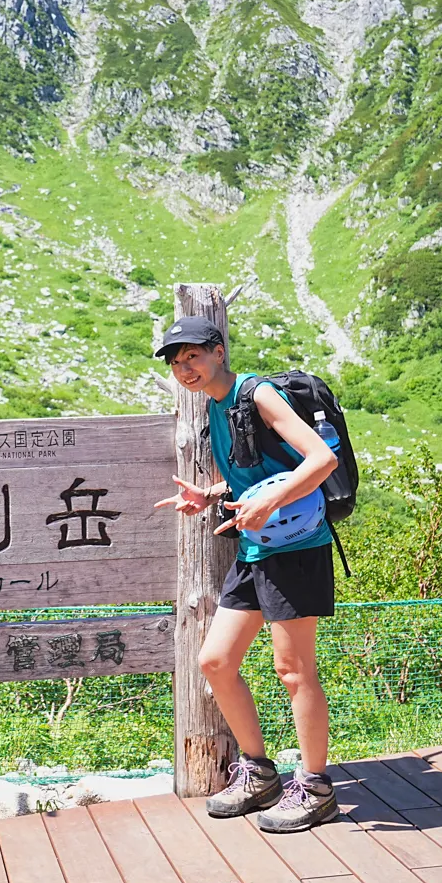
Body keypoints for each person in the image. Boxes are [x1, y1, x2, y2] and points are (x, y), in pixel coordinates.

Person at [152, 316, 340, 832]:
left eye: (192, 356)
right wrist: (208, 494)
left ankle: (317, 787)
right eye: (175, 361)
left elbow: (320, 459)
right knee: (215, 662)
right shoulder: (216, 405)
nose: (184, 368)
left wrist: (267, 505)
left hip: (297, 548)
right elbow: (255, 472)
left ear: (217, 351)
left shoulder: (257, 394)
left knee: (294, 669)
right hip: (257, 548)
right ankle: (259, 773)